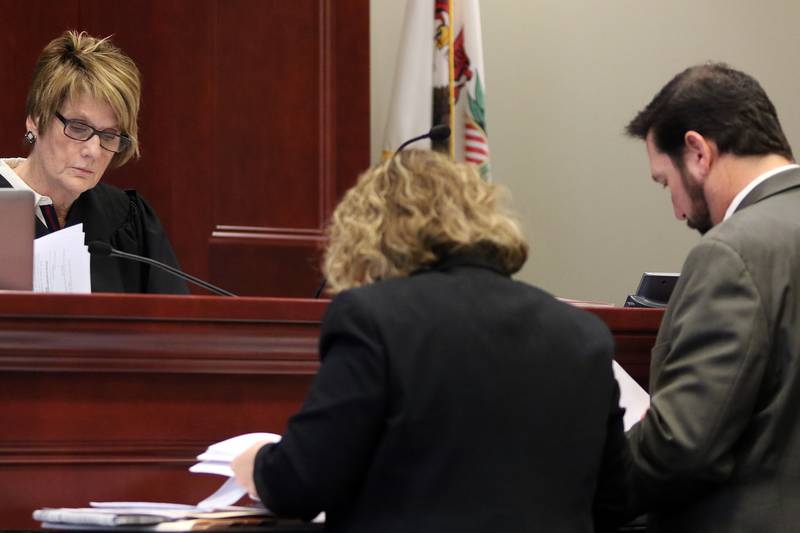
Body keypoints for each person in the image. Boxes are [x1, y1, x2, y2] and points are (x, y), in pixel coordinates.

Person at [231, 150, 630, 533]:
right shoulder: (584, 335)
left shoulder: (373, 319)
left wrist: (258, 467)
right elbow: (613, 500)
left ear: (368, 234)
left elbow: (301, 482)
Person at [625, 63, 800, 532]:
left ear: (698, 152)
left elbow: (683, 447)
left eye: (666, 183)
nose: (678, 210)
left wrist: (584, 481)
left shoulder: (731, 252)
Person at [0, 30, 187, 294]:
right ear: (36, 119)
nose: (93, 150)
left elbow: (173, 329)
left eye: (108, 135)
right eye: (78, 127)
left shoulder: (126, 219)